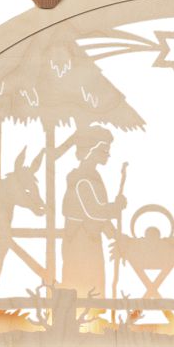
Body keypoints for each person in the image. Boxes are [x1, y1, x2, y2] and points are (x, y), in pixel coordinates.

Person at [60, 125, 126, 299]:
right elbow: (94, 212)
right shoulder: (81, 178)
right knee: (80, 285)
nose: (108, 154)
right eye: (104, 150)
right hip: (79, 242)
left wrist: (114, 234)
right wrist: (115, 208)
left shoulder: (93, 176)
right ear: (90, 150)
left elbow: (99, 215)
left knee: (93, 286)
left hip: (90, 240)